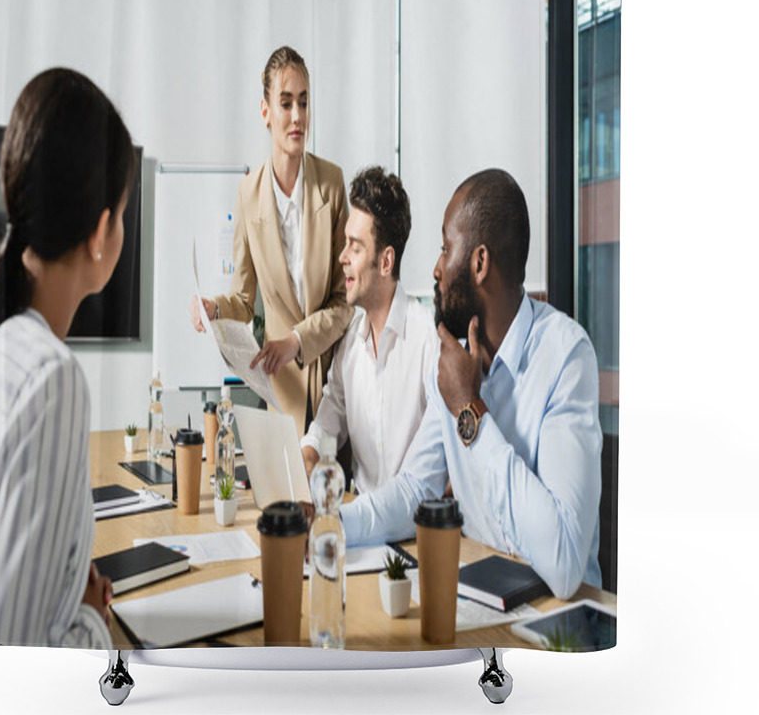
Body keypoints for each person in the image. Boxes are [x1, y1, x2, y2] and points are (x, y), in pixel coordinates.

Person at [339, 169, 603, 601]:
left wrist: (470, 412)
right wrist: (331, 523)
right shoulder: (455, 359)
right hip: (481, 603)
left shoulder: (566, 356)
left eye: (446, 248)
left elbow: (565, 563)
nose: (436, 269)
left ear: (479, 263)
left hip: (558, 624)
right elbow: (414, 490)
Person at [0, 68, 135, 646]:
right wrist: (93, 618)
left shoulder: (0, 343)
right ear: (100, 233)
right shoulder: (52, 379)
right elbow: (9, 659)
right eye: (122, 211)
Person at [191, 46, 352, 439]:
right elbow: (244, 303)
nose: (297, 116)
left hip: (337, 380)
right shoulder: (248, 195)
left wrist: (297, 341)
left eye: (304, 102)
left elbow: (346, 299)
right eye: (285, 103)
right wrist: (213, 307)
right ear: (265, 111)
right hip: (282, 391)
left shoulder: (331, 184)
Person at [300, 167, 438, 493]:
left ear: (386, 262)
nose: (342, 257)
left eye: (355, 246)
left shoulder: (427, 339)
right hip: (359, 522)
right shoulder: (350, 340)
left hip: (413, 529)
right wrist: (310, 452)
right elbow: (328, 417)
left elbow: (447, 460)